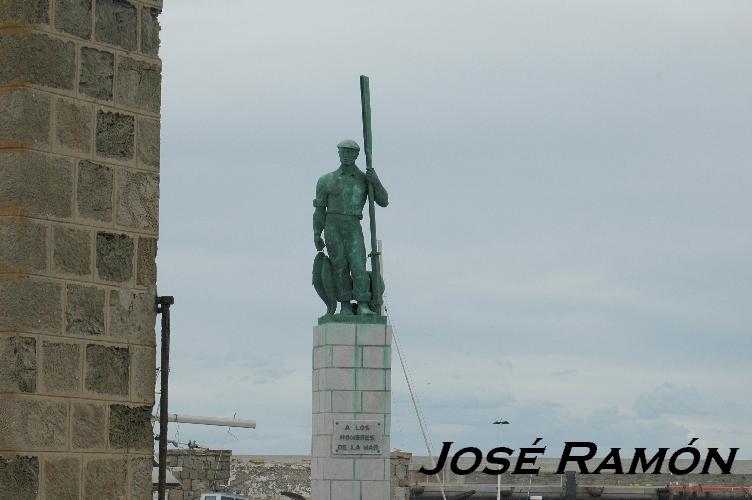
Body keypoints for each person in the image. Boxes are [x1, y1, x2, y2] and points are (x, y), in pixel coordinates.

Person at [313, 139, 389, 315]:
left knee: (358, 264)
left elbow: (384, 201)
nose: (347, 155)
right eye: (343, 152)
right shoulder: (326, 180)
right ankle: (345, 304)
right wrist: (317, 233)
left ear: (356, 155)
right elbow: (319, 210)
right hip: (332, 225)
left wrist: (375, 181)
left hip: (353, 224)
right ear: (338, 153)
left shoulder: (364, 179)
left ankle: (362, 302)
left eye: (350, 152)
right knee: (339, 266)